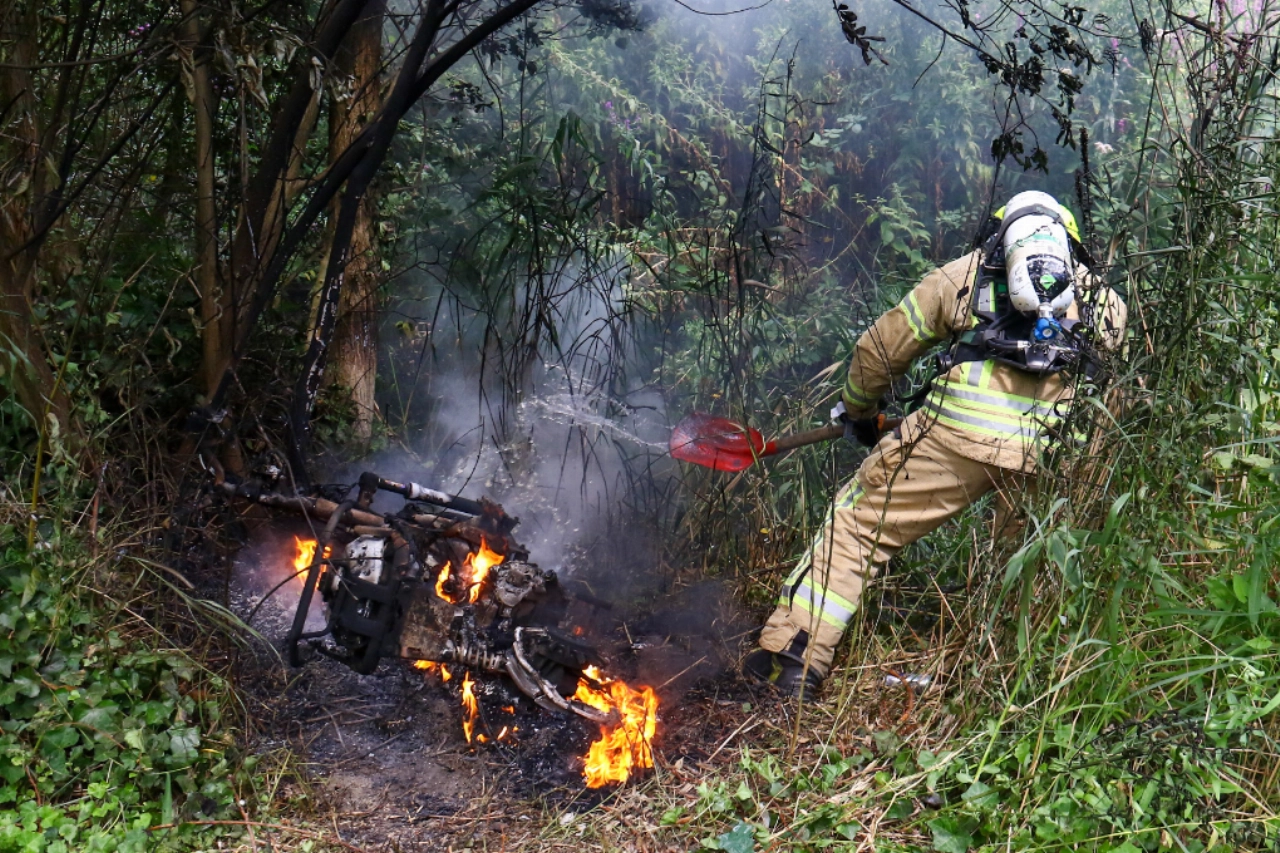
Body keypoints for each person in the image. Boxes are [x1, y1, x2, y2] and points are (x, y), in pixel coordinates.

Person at [742, 191, 1128, 697]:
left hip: (954, 441)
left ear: (998, 236)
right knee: (1036, 562)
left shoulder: (964, 274)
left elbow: (880, 350)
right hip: (1058, 454)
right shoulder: (1106, 302)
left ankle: (792, 660)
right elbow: (1119, 392)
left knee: (858, 528)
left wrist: (858, 410)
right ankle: (1020, 685)